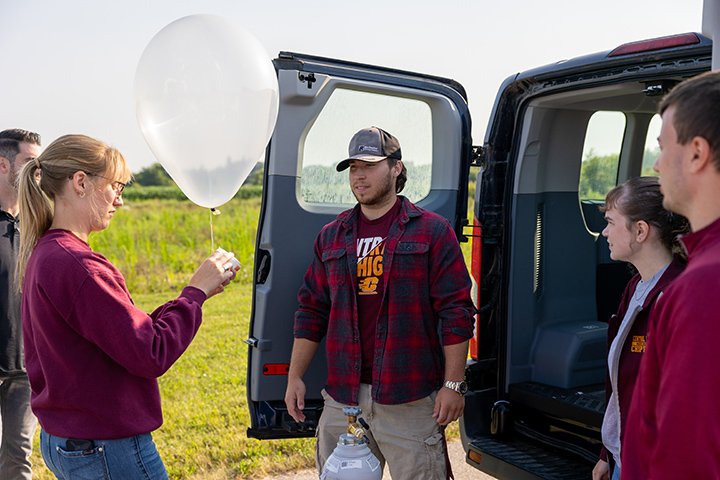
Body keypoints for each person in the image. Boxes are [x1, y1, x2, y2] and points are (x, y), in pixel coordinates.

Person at [16, 134, 239, 479]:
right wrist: (194, 294)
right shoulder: (78, 265)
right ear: (80, 182)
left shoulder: (47, 252)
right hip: (106, 445)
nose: (119, 201)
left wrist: (195, 293)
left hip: (70, 438)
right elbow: (150, 352)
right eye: (116, 187)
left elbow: (123, 333)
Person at [284, 126, 474, 479]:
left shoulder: (432, 232)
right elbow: (311, 310)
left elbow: (456, 312)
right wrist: (295, 376)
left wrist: (452, 384)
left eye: (369, 166)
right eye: (353, 168)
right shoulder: (331, 236)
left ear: (396, 168)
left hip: (410, 398)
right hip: (343, 399)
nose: (359, 176)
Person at [621, 71, 720, 478]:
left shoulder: (703, 286)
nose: (657, 164)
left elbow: (689, 458)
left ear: (696, 153)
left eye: (663, 147)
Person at [591, 177, 688, 480]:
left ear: (641, 230)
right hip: (626, 456)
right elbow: (625, 387)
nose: (604, 232)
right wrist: (609, 452)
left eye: (610, 222)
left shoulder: (675, 298)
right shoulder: (636, 287)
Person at [0, 128, 41, 479]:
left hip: (26, 370)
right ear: (3, 164)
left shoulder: (37, 224)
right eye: (29, 163)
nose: (37, 172)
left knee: (18, 461)